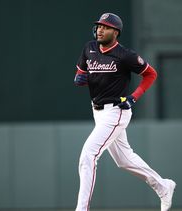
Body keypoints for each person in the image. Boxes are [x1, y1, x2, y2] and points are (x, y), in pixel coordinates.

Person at [73, 13, 176, 211]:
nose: (100, 29)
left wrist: (134, 96)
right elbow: (81, 73)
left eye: (105, 26)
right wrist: (80, 77)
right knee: (124, 160)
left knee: (88, 155)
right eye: (99, 26)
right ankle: (163, 186)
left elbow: (150, 74)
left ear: (116, 32)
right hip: (98, 111)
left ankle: (81, 209)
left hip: (116, 112)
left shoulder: (125, 55)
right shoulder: (89, 48)